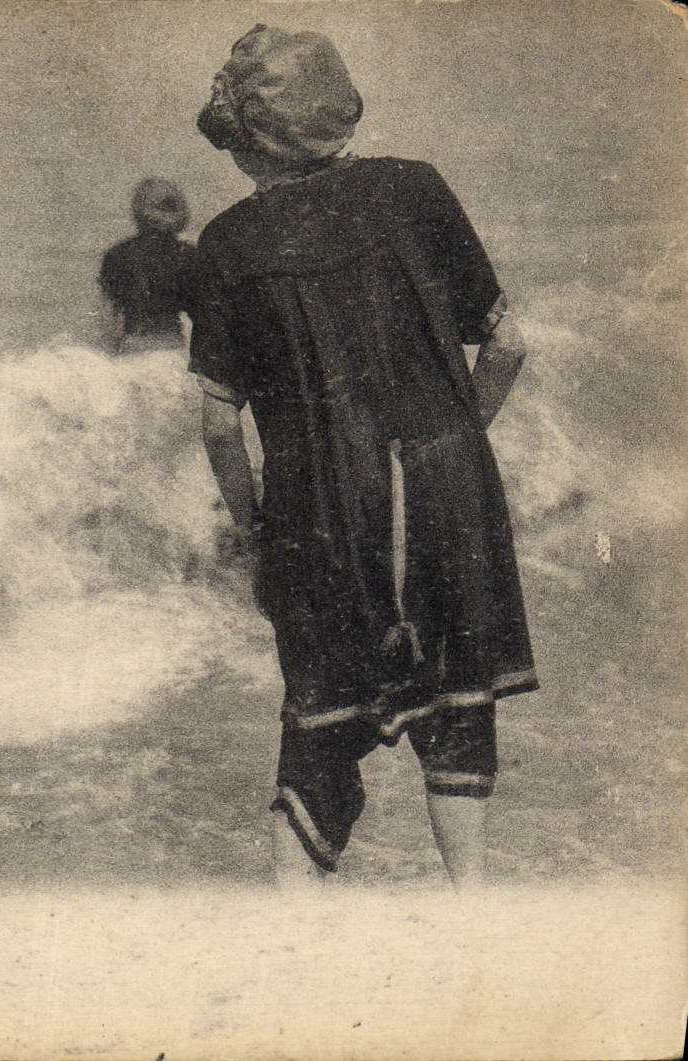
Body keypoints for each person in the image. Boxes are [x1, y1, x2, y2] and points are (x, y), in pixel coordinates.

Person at [188, 26, 538, 887]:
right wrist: (457, 440)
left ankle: (294, 961)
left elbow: (219, 426)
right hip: (446, 476)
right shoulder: (414, 188)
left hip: (318, 507)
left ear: (251, 141)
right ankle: (477, 930)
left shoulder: (228, 243)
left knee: (316, 731)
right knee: (458, 713)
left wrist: (254, 525)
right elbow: (507, 345)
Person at [97, 176, 197, 352]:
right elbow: (206, 318)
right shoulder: (189, 255)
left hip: (132, 348)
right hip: (172, 351)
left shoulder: (118, 254)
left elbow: (107, 317)